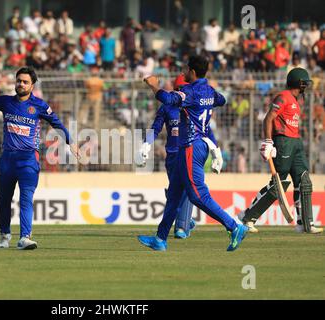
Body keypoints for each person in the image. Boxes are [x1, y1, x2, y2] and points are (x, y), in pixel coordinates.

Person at [138, 55, 248, 252]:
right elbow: (221, 100)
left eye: (187, 69)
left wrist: (154, 86)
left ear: (193, 72)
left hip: (191, 145)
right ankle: (160, 238)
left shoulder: (190, 91)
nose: (184, 72)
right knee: (173, 196)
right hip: (190, 147)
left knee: (198, 195)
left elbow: (168, 98)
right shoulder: (210, 91)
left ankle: (234, 226)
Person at [0, 67, 80, 250]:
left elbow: (56, 123)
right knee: (5, 200)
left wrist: (70, 142)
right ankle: (4, 235)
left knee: (26, 198)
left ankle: (25, 237)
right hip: (7, 159)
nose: (21, 84)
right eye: (19, 81)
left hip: (28, 159)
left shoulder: (39, 105)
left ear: (32, 85)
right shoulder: (6, 102)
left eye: (25, 82)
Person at [138, 73, 224, 239]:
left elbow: (206, 130)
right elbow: (155, 128)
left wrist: (216, 152)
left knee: (186, 189)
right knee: (176, 191)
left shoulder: (194, 108)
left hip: (189, 151)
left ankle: (182, 227)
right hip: (172, 155)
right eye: (178, 90)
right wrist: (146, 144)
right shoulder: (167, 107)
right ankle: (185, 220)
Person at [238, 68, 323, 234]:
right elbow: (268, 118)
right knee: (279, 185)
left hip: (296, 142)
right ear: (298, 82)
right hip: (283, 141)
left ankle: (305, 223)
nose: (307, 85)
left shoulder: (297, 101)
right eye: (305, 82)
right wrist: (268, 141)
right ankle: (247, 217)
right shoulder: (283, 97)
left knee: (304, 181)